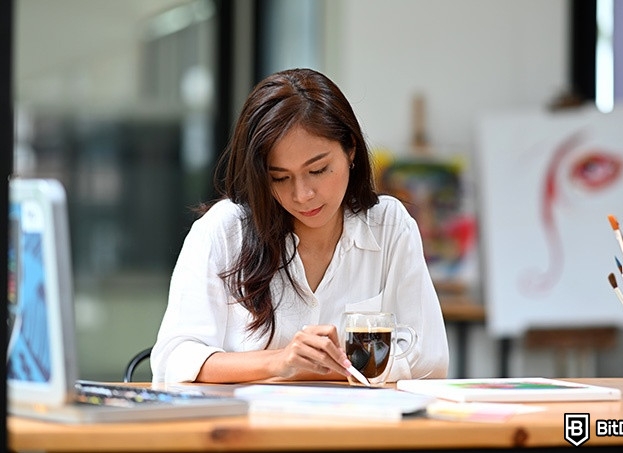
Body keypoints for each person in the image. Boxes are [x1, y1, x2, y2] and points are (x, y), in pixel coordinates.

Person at [150, 68, 449, 383]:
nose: (302, 195)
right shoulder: (225, 231)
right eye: (280, 177)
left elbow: (430, 359)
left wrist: (312, 369)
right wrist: (280, 362)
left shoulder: (388, 226)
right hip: (252, 428)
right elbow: (174, 359)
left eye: (318, 170)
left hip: (357, 428)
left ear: (351, 150)